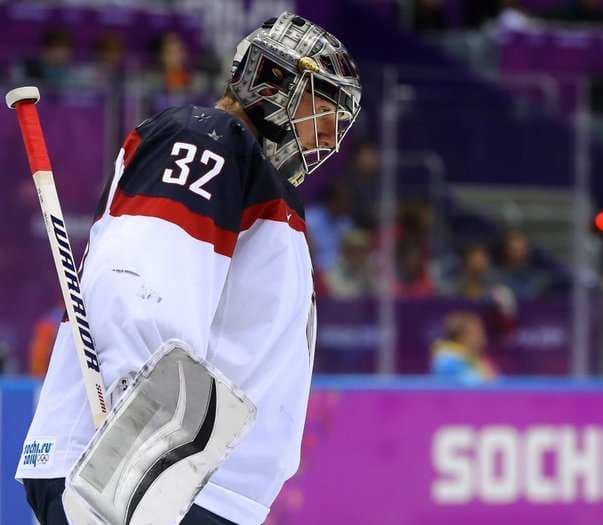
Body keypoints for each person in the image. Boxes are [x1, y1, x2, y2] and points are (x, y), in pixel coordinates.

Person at [16, 12, 361, 525]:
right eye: (321, 103)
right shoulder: (208, 138)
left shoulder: (254, 177)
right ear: (271, 80)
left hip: (189, 486)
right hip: (144, 480)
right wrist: (132, 467)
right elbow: (137, 289)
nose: (329, 133)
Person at [430, 311, 497, 381]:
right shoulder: (447, 361)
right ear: (462, 336)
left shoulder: (471, 357)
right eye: (477, 333)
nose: (483, 337)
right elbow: (473, 385)